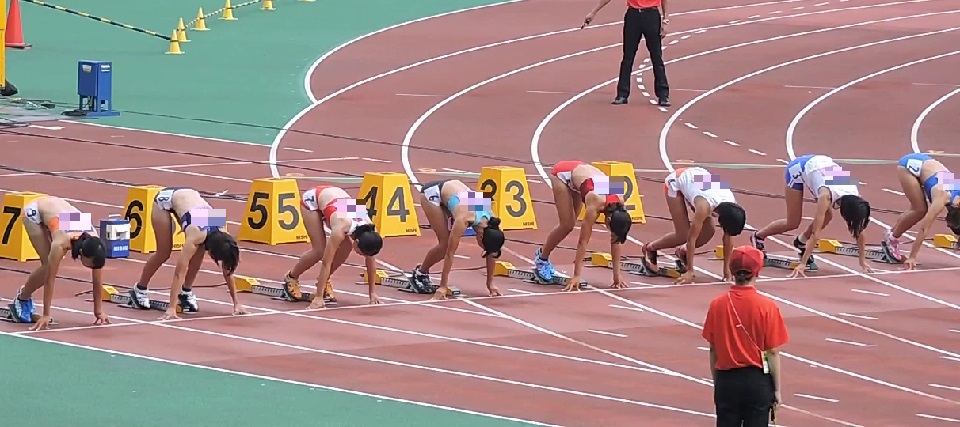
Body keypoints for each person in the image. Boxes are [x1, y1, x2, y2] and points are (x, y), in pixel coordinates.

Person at [128, 187, 245, 320]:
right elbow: (179, 272)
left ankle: (185, 292)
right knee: (164, 252)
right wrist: (171, 308)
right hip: (166, 201)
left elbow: (227, 269)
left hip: (192, 203)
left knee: (199, 252)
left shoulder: (222, 230)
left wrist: (237, 303)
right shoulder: (196, 233)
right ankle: (139, 289)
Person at [702, 245, 788, 426]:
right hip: (756, 380)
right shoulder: (767, 306)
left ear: (732, 271)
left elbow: (713, 348)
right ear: (758, 271)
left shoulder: (717, 305)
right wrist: (777, 390)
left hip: (726, 379)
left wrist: (718, 382)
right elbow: (772, 351)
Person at [751, 154, 873, 277]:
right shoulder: (825, 196)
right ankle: (759, 236)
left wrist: (862, 261)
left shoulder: (855, 195)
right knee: (793, 222)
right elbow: (816, 233)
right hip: (798, 169)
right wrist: (803, 263)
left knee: (827, 216)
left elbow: (859, 229)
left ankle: (801, 241)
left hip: (821, 166)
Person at [9, 196, 107, 330]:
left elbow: (97, 282)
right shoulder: (60, 243)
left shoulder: (94, 241)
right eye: (91, 265)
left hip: (64, 216)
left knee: (49, 265)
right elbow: (50, 280)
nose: (92, 268)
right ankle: (22, 299)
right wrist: (46, 315)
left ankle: (23, 297)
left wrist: (98, 311)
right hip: (35, 212)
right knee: (46, 267)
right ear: (83, 254)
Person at [534, 161, 633, 291]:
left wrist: (617, 275)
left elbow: (617, 240)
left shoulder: (620, 201)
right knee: (567, 224)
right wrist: (576, 276)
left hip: (583, 177)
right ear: (608, 219)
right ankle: (542, 259)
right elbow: (583, 241)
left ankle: (542, 258)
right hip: (563, 174)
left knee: (571, 221)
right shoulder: (595, 202)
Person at [281, 185, 384, 310]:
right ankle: (291, 277)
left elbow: (371, 260)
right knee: (319, 250)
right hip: (313, 201)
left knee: (346, 248)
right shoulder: (340, 228)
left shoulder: (371, 229)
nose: (362, 256)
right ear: (356, 242)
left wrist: (372, 293)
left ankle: (324, 281)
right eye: (361, 253)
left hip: (342, 203)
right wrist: (318, 298)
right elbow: (326, 262)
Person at [642, 167, 746, 284]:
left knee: (709, 231)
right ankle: (650, 248)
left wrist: (727, 271)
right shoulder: (703, 206)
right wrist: (690, 271)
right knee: (683, 234)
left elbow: (728, 238)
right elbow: (691, 238)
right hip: (676, 181)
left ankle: (683, 252)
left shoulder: (732, 204)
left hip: (699, 180)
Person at [408, 179, 505, 299]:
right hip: (433, 192)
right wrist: (443, 286)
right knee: (444, 245)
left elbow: (493, 252)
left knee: (447, 242)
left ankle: (421, 272)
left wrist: (490, 284)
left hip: (456, 190)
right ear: (480, 238)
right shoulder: (464, 219)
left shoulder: (494, 224)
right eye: (484, 249)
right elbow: (450, 253)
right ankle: (419, 274)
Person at [583, 0, 670, 107]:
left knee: (656, 57)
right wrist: (593, 12)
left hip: (651, 15)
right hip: (633, 16)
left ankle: (663, 95)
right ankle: (622, 94)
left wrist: (665, 20)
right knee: (627, 57)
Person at [883, 153, 960, 269]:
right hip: (909, 166)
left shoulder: (954, 202)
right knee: (919, 210)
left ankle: (895, 229)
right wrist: (912, 257)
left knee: (920, 209)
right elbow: (924, 228)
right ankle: (892, 237)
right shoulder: (942, 197)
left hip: (930, 166)